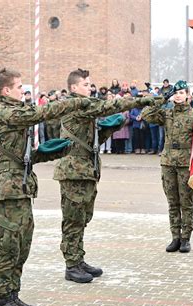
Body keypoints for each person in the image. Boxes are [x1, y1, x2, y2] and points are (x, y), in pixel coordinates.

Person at [0, 68, 89, 306]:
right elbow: (41, 112)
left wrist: (49, 152)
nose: (23, 91)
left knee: (22, 245)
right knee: (9, 246)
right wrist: (73, 102)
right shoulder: (6, 112)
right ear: (6, 91)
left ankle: (13, 295)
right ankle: (3, 301)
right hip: (9, 189)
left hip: (21, 187)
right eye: (19, 87)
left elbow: (24, 156)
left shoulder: (14, 112)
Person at [53, 69, 152, 284]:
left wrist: (109, 128)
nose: (90, 88)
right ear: (74, 88)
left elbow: (92, 139)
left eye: (90, 84)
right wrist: (140, 101)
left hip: (86, 170)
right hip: (74, 172)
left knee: (82, 218)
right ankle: (71, 264)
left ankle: (78, 259)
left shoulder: (83, 107)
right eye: (86, 84)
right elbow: (111, 106)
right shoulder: (76, 105)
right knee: (73, 219)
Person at [141, 80, 193, 253]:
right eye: (175, 93)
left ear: (187, 95)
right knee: (172, 202)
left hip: (186, 162)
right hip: (168, 162)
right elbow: (146, 114)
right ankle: (175, 237)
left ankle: (186, 238)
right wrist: (162, 99)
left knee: (186, 202)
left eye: (181, 92)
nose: (178, 96)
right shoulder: (167, 113)